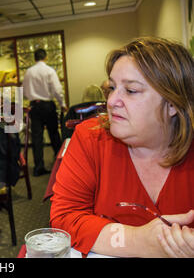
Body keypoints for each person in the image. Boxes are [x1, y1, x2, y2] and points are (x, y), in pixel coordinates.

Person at [50, 37, 194, 258]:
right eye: (112, 88)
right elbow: (66, 217)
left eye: (131, 90)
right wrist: (140, 241)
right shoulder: (91, 138)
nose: (111, 101)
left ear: (173, 103)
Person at [23, 48, 67, 176]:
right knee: (54, 134)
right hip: (48, 105)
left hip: (34, 107)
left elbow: (25, 92)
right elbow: (57, 89)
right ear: (45, 57)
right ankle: (61, 165)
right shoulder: (49, 70)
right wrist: (62, 104)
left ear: (34, 58)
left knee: (37, 138)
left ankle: (38, 167)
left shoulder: (28, 72)